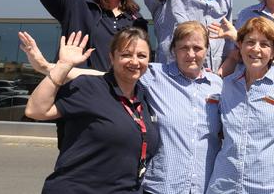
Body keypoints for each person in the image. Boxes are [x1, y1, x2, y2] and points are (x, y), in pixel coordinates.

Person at [20, 21, 223, 194]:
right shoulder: (155, 75)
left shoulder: (219, 86)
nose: (191, 54)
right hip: (159, 187)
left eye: (197, 48)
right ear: (173, 51)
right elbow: (104, 75)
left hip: (199, 187)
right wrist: (53, 67)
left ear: (207, 50)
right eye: (183, 48)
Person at [23, 28, 159, 193]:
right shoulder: (90, 87)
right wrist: (63, 66)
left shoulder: (144, 98)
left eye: (141, 56)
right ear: (112, 57)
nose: (135, 61)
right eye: (126, 55)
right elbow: (36, 110)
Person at [207, 17, 274, 194]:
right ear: (240, 45)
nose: (256, 49)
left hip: (269, 188)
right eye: (250, 42)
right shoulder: (226, 85)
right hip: (224, 186)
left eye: (265, 44)